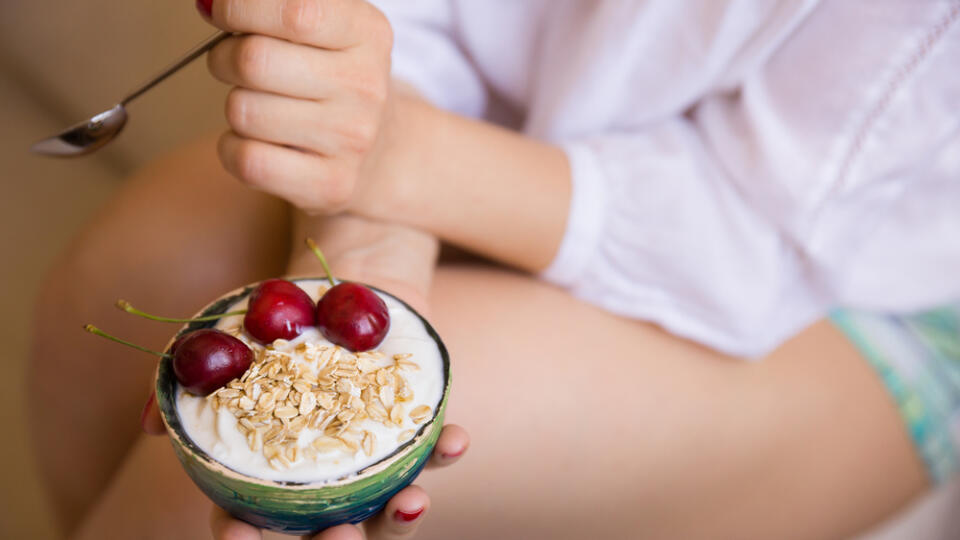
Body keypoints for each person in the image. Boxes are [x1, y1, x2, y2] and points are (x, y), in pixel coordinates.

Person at [29, 0, 960, 538]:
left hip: (846, 279)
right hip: (521, 119)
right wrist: (371, 250)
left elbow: (753, 235)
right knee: (139, 268)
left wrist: (405, 159)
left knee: (181, 500)